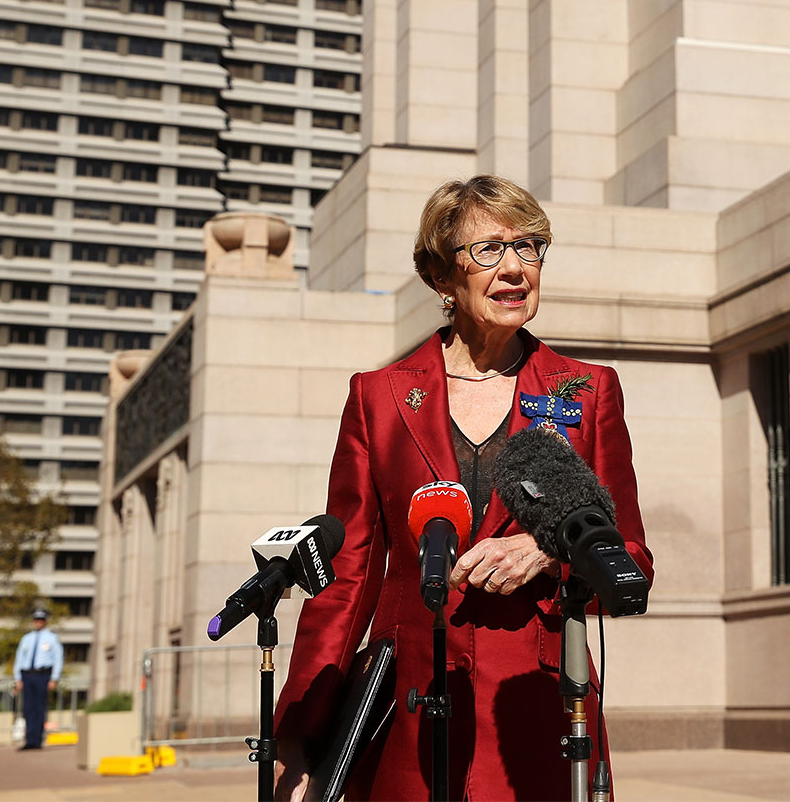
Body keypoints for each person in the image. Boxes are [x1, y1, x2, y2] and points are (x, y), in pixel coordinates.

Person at [272, 176, 653, 800]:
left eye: (529, 247)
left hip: (537, 714)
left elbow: (631, 557)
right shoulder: (379, 398)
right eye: (489, 250)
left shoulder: (586, 392)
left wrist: (551, 550)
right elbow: (346, 577)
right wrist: (299, 735)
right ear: (442, 278)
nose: (515, 267)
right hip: (408, 715)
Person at [14, 607, 63, 751]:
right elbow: (19, 658)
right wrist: (18, 678)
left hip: (43, 675)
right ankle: (29, 739)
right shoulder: (26, 638)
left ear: (45, 621)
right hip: (27, 674)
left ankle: (37, 739)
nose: (38, 623)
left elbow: (58, 659)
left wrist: (54, 678)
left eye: (41, 620)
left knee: (39, 707)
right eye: (36, 620)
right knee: (28, 707)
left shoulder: (52, 638)